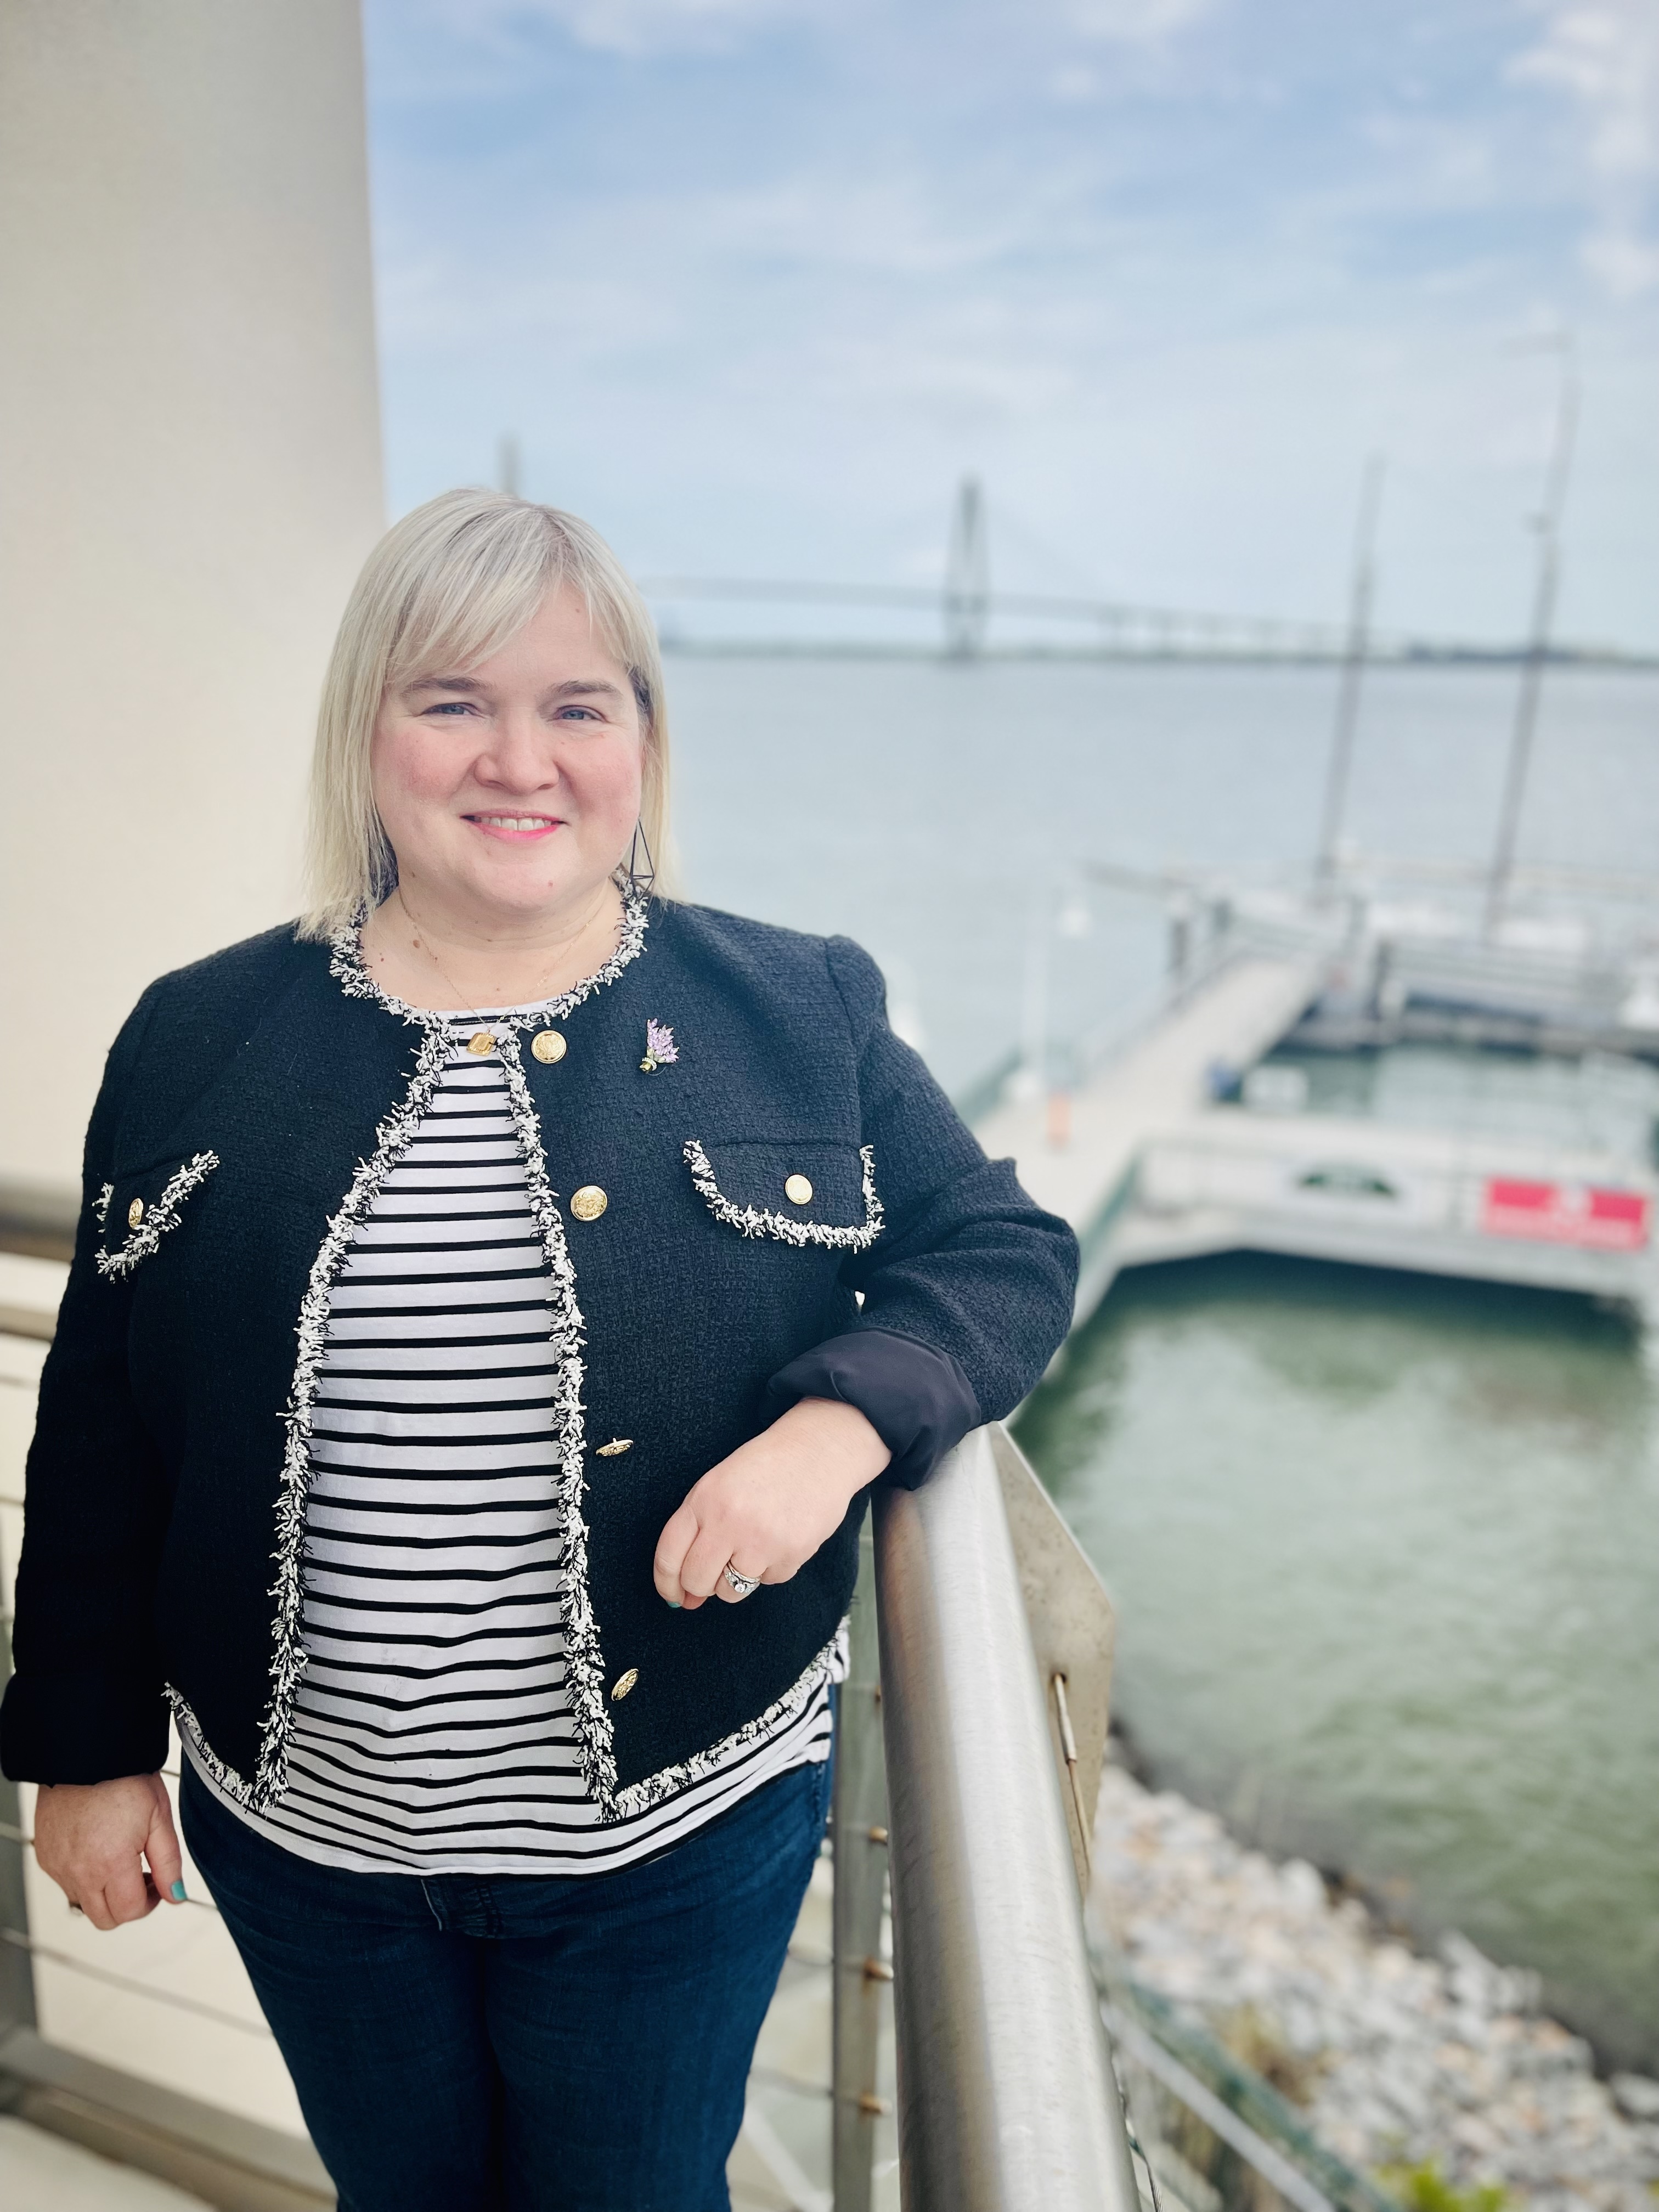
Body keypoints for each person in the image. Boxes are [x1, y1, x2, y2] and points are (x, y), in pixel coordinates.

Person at [1, 489, 1078, 2211]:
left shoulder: (799, 1008)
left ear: (643, 738)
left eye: (579, 705)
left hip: (673, 1850)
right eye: (453, 701)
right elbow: (102, 1425)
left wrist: (837, 1433)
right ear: (367, 734)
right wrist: (79, 1743)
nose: (521, 759)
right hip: (304, 1852)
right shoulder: (195, 1032)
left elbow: (1005, 1249)